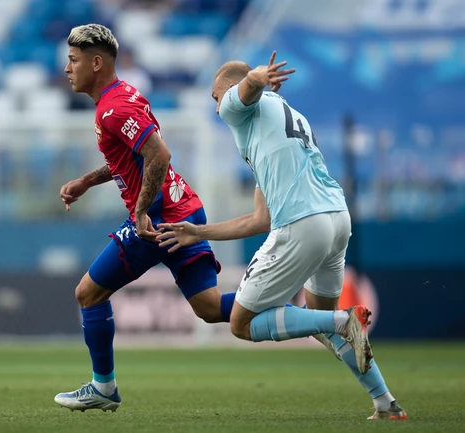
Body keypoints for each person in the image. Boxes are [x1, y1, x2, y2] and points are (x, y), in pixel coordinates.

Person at [156, 52, 408, 421]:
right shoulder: (277, 124)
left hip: (302, 223)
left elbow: (246, 86)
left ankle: (344, 320)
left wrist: (256, 77)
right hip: (337, 219)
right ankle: (385, 402)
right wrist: (199, 232)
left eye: (216, 96)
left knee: (242, 323)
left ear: (228, 89)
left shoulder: (235, 108)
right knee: (324, 324)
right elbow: (260, 220)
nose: (216, 106)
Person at [54, 24, 236, 412]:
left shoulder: (114, 108)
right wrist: (87, 181)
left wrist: (139, 212)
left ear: (96, 63)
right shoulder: (122, 96)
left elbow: (160, 154)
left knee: (88, 293)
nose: (67, 69)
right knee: (210, 307)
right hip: (184, 206)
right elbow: (132, 157)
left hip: (156, 219)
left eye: (73, 60)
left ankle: (103, 387)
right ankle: (310, 318)